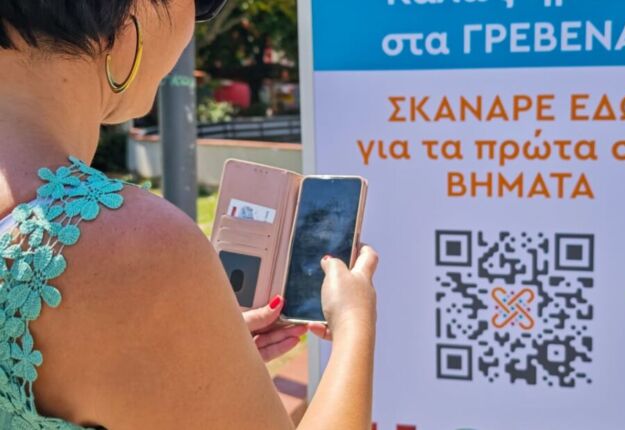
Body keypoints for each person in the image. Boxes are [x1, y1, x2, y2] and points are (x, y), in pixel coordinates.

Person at [0, 1, 378, 429]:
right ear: (129, 12)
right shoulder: (129, 248)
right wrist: (355, 324)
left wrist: (194, 355)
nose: (196, 22)